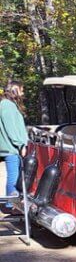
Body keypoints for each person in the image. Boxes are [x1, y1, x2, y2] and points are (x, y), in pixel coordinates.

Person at [0, 81, 28, 212]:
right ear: (15, 90)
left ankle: (12, 204)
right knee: (14, 176)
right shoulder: (7, 105)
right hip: (12, 148)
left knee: (15, 175)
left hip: (13, 147)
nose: (22, 93)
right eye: (21, 90)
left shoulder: (9, 105)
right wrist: (20, 144)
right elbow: (11, 128)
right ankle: (11, 205)